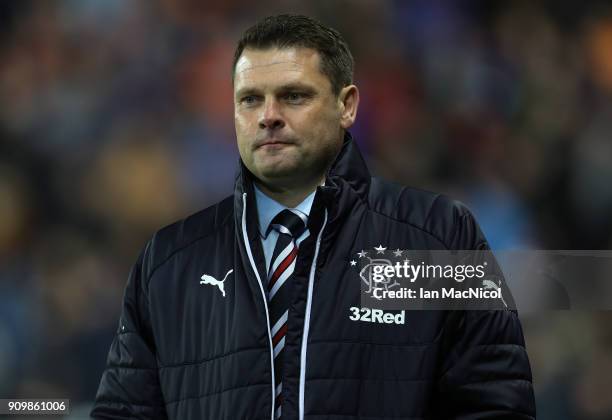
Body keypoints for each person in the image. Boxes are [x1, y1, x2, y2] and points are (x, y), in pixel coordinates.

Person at [90, 14, 536, 420]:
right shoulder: (171, 262)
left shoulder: (436, 236)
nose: (268, 117)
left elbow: (493, 406)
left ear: (347, 106)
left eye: (293, 96)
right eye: (249, 100)